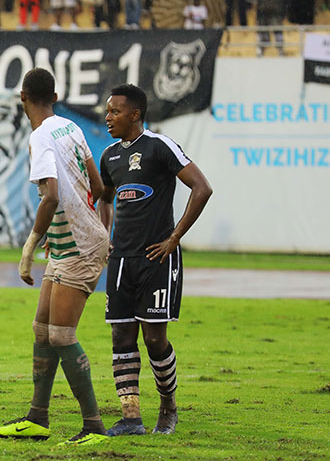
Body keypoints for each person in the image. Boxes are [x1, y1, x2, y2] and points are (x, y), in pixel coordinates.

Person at [0, 68, 109, 443]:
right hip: (71, 242)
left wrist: (27, 248)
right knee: (42, 329)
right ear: (54, 97)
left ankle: (93, 425)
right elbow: (99, 186)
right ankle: (37, 418)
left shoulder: (39, 138)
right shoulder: (71, 128)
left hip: (77, 246)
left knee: (60, 334)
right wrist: (102, 229)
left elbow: (52, 195)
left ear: (23, 96)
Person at [97, 84, 212, 436]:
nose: (108, 117)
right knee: (121, 337)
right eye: (107, 110)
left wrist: (173, 238)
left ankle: (168, 406)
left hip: (156, 258)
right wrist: (106, 237)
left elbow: (202, 187)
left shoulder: (160, 146)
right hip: (121, 260)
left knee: (154, 340)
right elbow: (104, 197)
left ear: (135, 114)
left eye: (115, 111)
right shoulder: (109, 155)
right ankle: (131, 417)